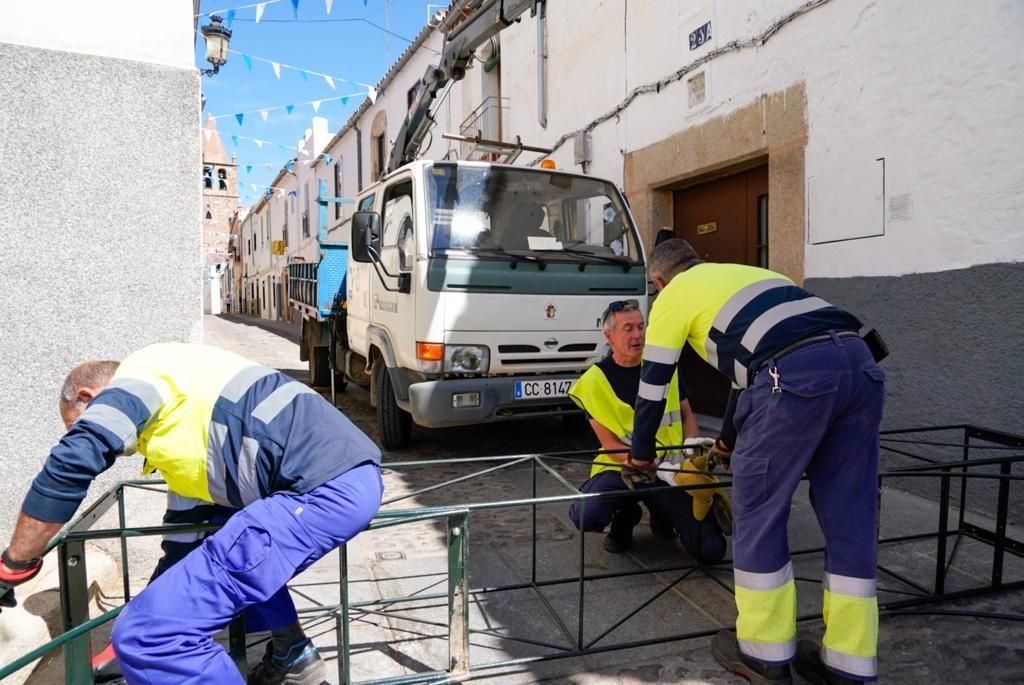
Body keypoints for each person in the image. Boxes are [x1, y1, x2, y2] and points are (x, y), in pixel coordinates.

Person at [0, 343, 383, 685]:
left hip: (321, 489)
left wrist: (15, 564)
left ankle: (286, 652)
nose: (83, 430)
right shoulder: (181, 416)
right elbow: (182, 551)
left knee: (149, 636)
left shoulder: (142, 375)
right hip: (338, 482)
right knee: (223, 544)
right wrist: (120, 648)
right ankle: (292, 653)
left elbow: (72, 461)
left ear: (88, 397)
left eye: (76, 423)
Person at [627, 240, 885, 685]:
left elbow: (654, 385)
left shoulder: (673, 295)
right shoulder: (759, 277)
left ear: (659, 281)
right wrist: (726, 442)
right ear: (700, 261)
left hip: (792, 377)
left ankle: (765, 654)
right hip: (859, 364)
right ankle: (850, 663)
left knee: (759, 511)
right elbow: (744, 378)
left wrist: (642, 454)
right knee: (852, 514)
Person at [567, 299, 727, 563]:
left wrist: (691, 451)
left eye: (641, 327)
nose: (638, 335)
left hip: (670, 469)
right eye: (628, 328)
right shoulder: (593, 382)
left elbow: (687, 415)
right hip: (621, 468)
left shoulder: (662, 367)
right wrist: (638, 462)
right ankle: (626, 514)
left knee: (711, 551)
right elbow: (610, 443)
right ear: (609, 335)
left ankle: (661, 512)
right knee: (587, 514)